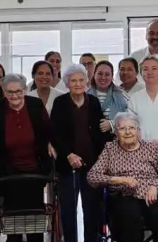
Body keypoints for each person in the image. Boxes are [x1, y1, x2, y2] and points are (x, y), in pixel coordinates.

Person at [87, 112, 158, 242]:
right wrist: (120, 179)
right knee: (131, 218)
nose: (127, 132)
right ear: (116, 133)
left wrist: (156, 185)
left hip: (151, 195)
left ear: (138, 131)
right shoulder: (110, 149)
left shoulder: (151, 149)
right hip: (124, 196)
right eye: (122, 128)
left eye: (131, 128)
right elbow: (92, 176)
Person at [0, 74, 54, 242]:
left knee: (34, 218)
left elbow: (48, 129)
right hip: (9, 171)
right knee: (12, 219)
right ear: (3, 91)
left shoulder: (35, 105)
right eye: (10, 92)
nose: (14, 95)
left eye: (18, 91)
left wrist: (50, 142)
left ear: (25, 90)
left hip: (35, 170)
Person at [51, 64, 113, 242]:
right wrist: (68, 154)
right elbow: (55, 134)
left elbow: (101, 131)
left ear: (87, 81)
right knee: (69, 208)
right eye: (73, 81)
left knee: (92, 208)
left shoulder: (93, 101)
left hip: (92, 164)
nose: (78, 84)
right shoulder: (60, 103)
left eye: (81, 80)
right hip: (67, 163)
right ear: (67, 83)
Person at [87, 60, 130, 130]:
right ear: (94, 75)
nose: (103, 77)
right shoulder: (84, 95)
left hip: (115, 138)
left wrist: (112, 124)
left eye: (107, 74)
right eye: (100, 74)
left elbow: (132, 117)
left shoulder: (122, 95)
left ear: (112, 76)